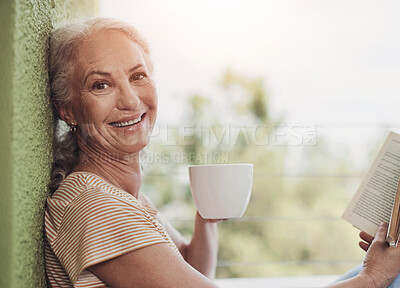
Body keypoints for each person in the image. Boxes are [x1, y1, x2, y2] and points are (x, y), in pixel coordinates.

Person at [44, 17, 400, 288]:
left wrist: (207, 210)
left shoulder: (121, 197)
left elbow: (191, 269)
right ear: (69, 110)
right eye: (101, 84)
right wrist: (371, 278)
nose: (130, 100)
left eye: (138, 76)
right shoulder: (93, 204)